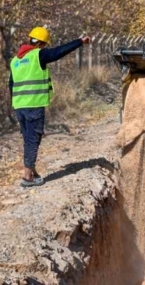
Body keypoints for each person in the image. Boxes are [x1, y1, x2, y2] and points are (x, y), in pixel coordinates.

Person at [9, 26, 91, 187]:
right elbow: (58, 52)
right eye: (45, 45)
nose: (46, 48)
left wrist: (17, 103)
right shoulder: (37, 54)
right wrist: (80, 42)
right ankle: (27, 176)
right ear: (41, 43)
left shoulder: (15, 60)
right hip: (34, 103)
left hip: (19, 105)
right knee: (33, 138)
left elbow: (11, 84)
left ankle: (32, 170)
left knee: (28, 138)